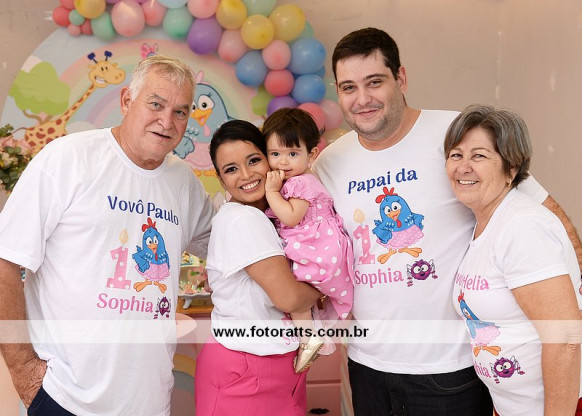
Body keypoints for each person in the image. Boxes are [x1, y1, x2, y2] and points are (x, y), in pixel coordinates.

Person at [311, 27, 582, 415]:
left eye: (375, 82)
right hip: (366, 364)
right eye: (348, 87)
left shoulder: (457, 136)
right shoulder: (329, 163)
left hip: (451, 370)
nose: (363, 98)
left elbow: (547, 211)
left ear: (401, 78)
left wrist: (571, 301)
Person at [0, 55, 216, 415]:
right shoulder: (68, 158)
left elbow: (227, 245)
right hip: (64, 398)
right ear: (127, 100)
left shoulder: (184, 182)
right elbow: (5, 261)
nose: (167, 121)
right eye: (156, 104)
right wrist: (24, 372)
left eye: (180, 111)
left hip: (149, 403)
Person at [444, 104, 582, 416]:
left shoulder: (523, 226)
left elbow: (565, 340)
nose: (463, 167)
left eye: (479, 156)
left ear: (511, 169)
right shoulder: (487, 223)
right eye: (456, 155)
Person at [195, 120, 322, 416]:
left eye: (253, 160)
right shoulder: (243, 219)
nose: (246, 175)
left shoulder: (269, 215)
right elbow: (289, 298)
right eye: (231, 169)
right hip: (247, 369)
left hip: (272, 362)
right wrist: (327, 287)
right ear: (221, 179)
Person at [262, 108, 355, 373]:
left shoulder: (299, 183)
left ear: (311, 154)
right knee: (301, 296)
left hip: (317, 247)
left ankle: (308, 339)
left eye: (293, 154)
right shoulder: (303, 179)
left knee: (292, 291)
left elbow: (291, 217)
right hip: (321, 245)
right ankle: (312, 335)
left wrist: (271, 192)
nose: (283, 162)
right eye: (275, 154)